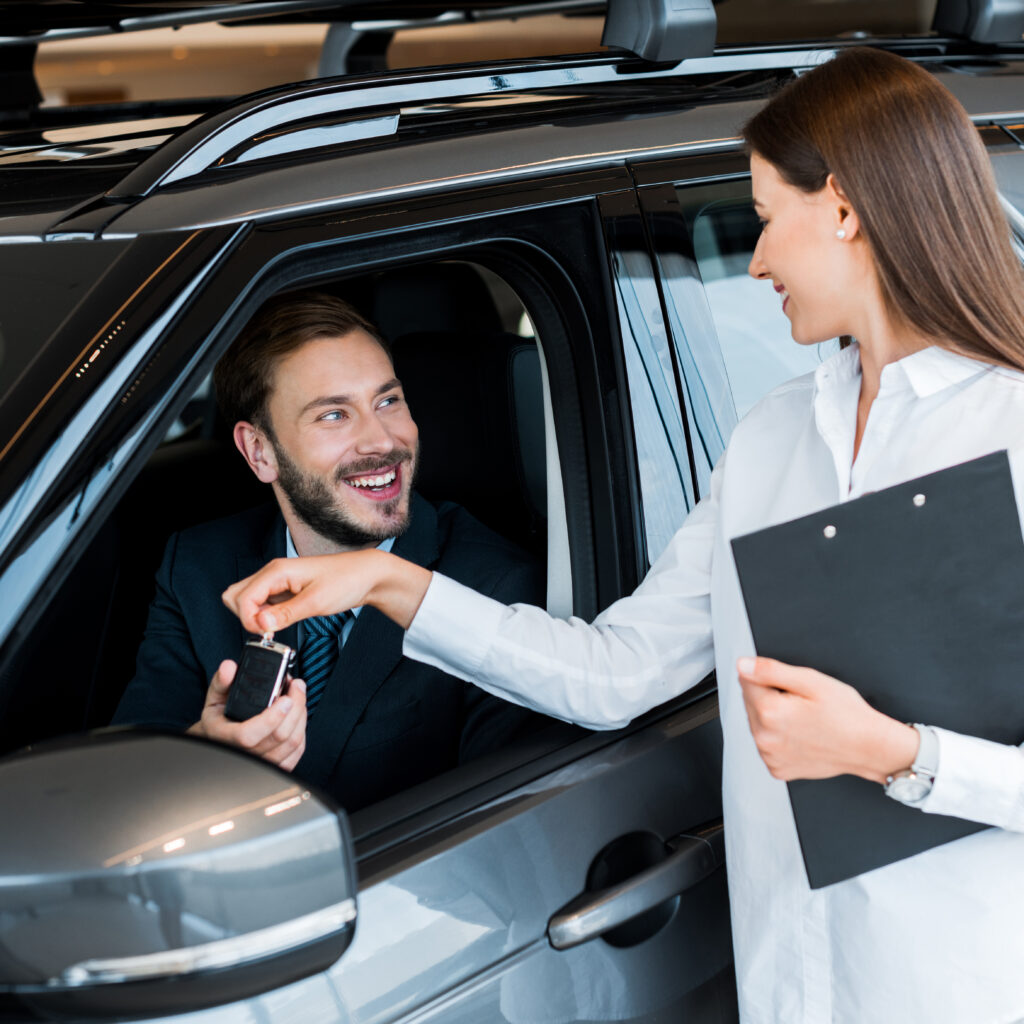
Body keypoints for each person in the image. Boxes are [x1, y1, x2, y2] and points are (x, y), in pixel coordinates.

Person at [222, 49, 1024, 1023]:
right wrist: (386, 585)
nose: (758, 258)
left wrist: (894, 752)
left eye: (767, 220)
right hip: (787, 992)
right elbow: (615, 673)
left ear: (845, 210)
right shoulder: (769, 438)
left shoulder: (1008, 434)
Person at [114, 290, 547, 812]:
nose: (381, 441)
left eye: (388, 401)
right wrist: (205, 757)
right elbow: (128, 778)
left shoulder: (495, 588)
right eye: (334, 415)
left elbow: (503, 826)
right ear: (260, 451)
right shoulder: (198, 565)